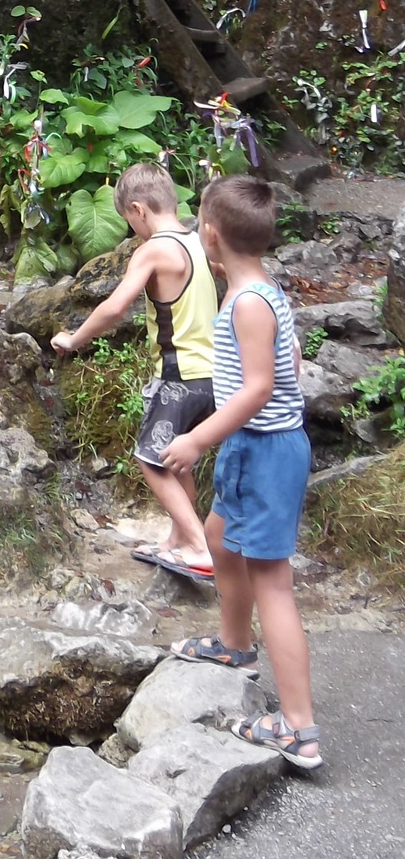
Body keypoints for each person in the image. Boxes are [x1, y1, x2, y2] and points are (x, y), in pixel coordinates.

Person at [161, 176, 321, 771]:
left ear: (209, 234)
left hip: (264, 450)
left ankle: (299, 728)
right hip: (251, 448)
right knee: (219, 536)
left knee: (272, 582)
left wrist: (197, 437)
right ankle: (234, 645)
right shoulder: (261, 289)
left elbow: (258, 388)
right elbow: (290, 360)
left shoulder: (250, 303)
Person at [51, 162, 219, 579]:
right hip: (212, 374)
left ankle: (199, 546)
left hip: (178, 376)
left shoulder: (155, 249)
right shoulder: (195, 240)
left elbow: (115, 306)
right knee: (178, 461)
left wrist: (74, 339)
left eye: (129, 220)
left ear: (139, 209)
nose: (132, 229)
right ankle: (179, 539)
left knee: (151, 459)